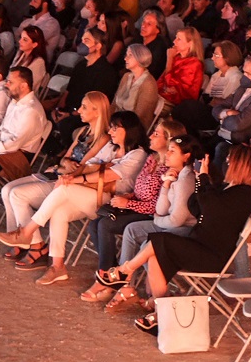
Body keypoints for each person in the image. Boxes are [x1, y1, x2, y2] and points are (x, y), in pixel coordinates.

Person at [96, 144, 251, 334]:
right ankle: (160, 313)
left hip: (212, 255)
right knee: (154, 252)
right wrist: (201, 180)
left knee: (160, 242)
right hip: (200, 244)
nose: (227, 162)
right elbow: (197, 208)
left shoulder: (245, 194)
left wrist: (204, 178)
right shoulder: (228, 189)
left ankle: (126, 270)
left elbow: (210, 208)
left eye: (231, 159)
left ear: (241, 165)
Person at [0, 111, 148, 285]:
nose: (111, 131)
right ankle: (57, 266)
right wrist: (77, 172)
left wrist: (74, 178)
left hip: (109, 201)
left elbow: (108, 175)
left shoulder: (137, 154)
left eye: (115, 128)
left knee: (64, 189)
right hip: (89, 193)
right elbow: (89, 164)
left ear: (129, 130)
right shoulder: (112, 147)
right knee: (59, 211)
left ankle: (27, 231)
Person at [79, 120, 188, 305]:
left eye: (156, 134)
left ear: (169, 139)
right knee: (95, 224)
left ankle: (107, 278)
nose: (150, 136)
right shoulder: (152, 158)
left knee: (105, 225)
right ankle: (113, 273)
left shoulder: (170, 170)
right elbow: (140, 188)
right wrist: (128, 197)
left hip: (149, 214)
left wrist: (128, 204)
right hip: (135, 204)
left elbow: (157, 206)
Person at [0, 91, 111, 271]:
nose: (78, 110)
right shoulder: (82, 132)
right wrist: (66, 164)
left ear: (97, 111)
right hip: (59, 174)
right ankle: (21, 240)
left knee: (18, 194)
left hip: (69, 182)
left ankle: (36, 246)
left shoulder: (103, 138)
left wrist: (67, 165)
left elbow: (80, 168)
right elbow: (65, 159)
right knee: (7, 189)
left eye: (84, 107)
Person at [0, 66, 47, 229]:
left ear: (24, 86)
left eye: (10, 82)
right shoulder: (15, 102)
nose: (6, 84)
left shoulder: (31, 110)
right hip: (5, 148)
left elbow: (13, 144)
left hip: (19, 156)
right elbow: (1, 131)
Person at [112, 44, 160, 129]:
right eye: (126, 55)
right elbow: (114, 104)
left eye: (130, 55)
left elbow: (139, 117)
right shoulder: (126, 76)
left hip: (132, 128)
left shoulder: (148, 84)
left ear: (140, 58)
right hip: (116, 123)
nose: (125, 58)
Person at [156, 27, 205, 108]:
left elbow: (171, 87)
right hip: (161, 97)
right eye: (175, 38)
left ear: (190, 43)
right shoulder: (176, 58)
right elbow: (160, 82)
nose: (174, 41)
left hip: (176, 104)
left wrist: (169, 60)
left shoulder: (194, 64)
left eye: (179, 39)